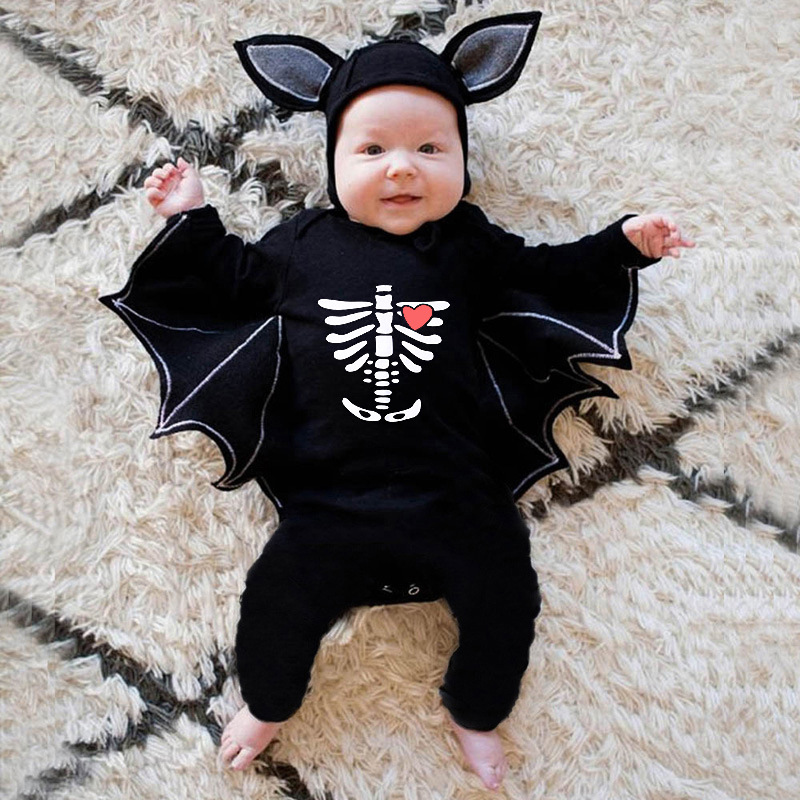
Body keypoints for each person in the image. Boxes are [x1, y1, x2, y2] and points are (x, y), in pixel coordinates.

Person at [102, 13, 694, 791]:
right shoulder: (302, 245)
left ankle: (475, 710)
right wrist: (192, 216)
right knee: (274, 601)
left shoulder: (468, 243)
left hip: (460, 495)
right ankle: (270, 704)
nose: (402, 170)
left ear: (462, 158)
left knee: (508, 596)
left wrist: (622, 244)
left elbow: (550, 272)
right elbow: (232, 278)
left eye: (430, 149)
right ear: (333, 159)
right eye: (372, 150)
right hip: (327, 500)